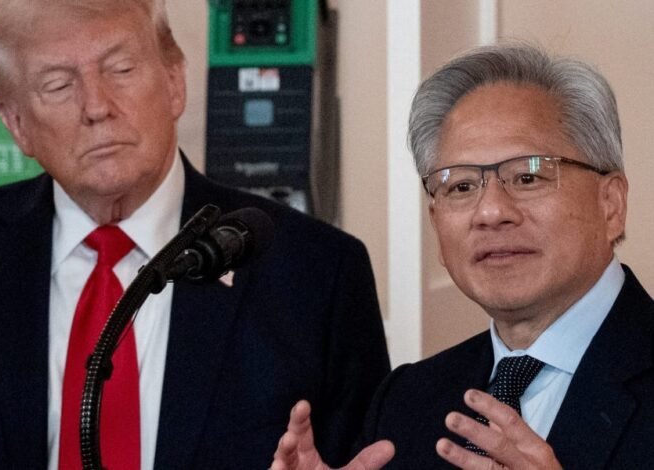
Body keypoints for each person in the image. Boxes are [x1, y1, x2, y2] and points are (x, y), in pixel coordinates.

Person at [0, 1, 390, 468]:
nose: (96, 106)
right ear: (16, 124)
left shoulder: (317, 271)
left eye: (121, 69)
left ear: (174, 81)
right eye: (58, 84)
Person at [271, 43, 654, 469]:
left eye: (527, 177)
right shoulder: (406, 401)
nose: (490, 212)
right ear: (436, 222)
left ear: (611, 204)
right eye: (461, 186)